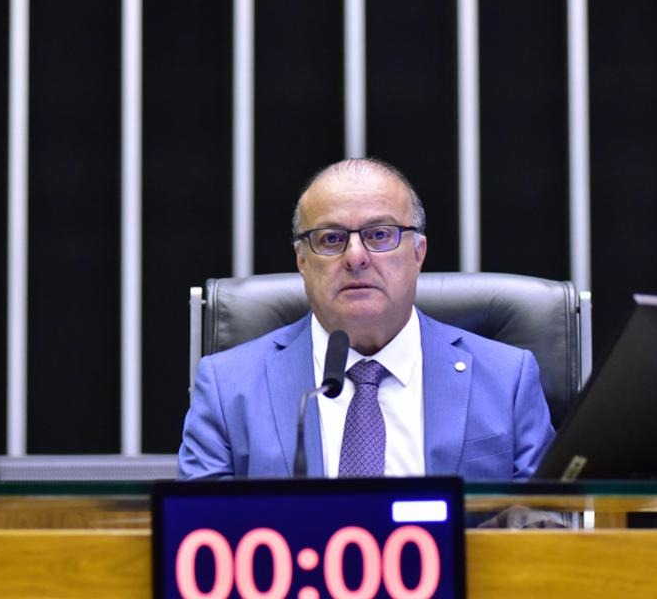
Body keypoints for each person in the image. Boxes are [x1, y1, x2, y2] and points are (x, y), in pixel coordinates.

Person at [178, 158, 556, 480]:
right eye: (330, 239)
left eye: (380, 234)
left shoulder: (507, 379)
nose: (356, 257)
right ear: (301, 260)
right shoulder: (228, 388)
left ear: (418, 252)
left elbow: (546, 528)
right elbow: (198, 535)